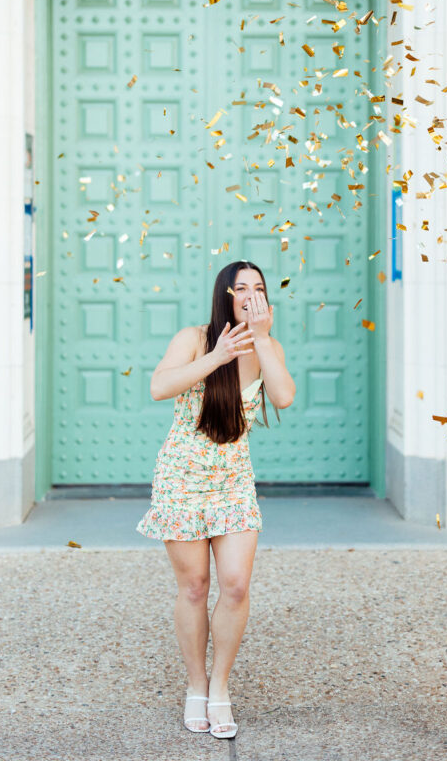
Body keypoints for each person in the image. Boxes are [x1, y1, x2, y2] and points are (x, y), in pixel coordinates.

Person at [136, 260, 296, 738]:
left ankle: (222, 687)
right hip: (182, 479)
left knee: (237, 585)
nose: (251, 294)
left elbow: (284, 396)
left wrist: (261, 340)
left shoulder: (268, 345)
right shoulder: (195, 337)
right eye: (241, 287)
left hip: (233, 483)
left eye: (259, 288)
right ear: (225, 295)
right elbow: (159, 387)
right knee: (194, 588)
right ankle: (197, 687)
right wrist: (218, 355)